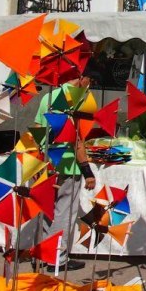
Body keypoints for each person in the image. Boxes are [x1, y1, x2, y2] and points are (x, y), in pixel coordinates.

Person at [36, 77, 97, 272]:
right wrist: (87, 171)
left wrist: (39, 162)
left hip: (47, 161)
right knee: (64, 213)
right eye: (89, 80)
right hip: (67, 164)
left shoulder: (48, 97)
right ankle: (57, 258)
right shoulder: (76, 101)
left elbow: (38, 131)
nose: (90, 84)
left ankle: (44, 255)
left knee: (47, 212)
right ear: (82, 78)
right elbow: (77, 141)